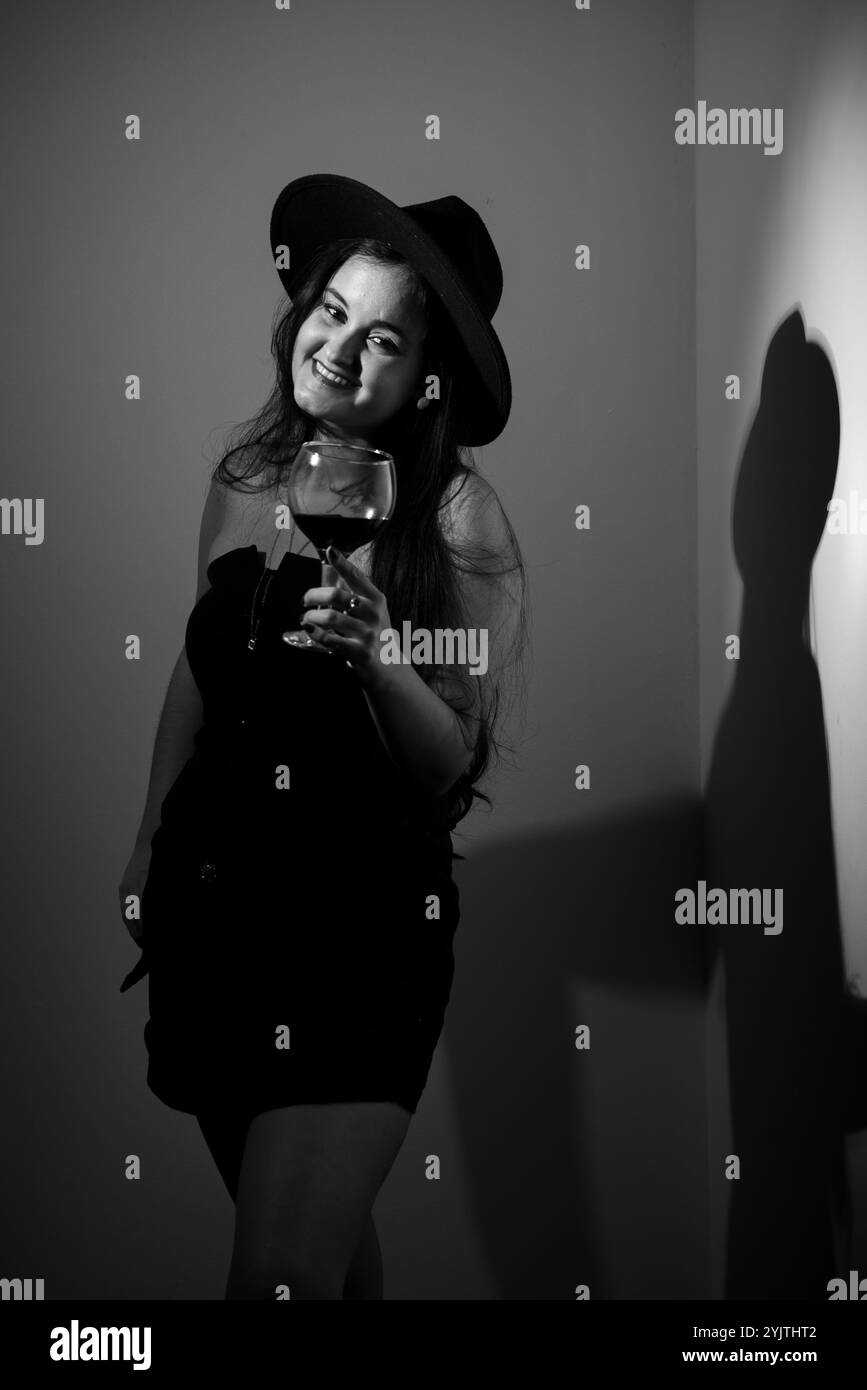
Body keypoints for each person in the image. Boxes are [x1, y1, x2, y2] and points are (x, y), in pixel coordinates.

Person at [118, 173, 527, 1300]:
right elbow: (197, 674)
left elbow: (451, 766)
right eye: (332, 310)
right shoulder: (242, 481)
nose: (340, 348)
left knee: (280, 1274)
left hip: (358, 926)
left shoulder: (456, 520)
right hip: (218, 910)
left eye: (384, 336)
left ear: (426, 380)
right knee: (327, 1267)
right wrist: (150, 838)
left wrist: (380, 657)